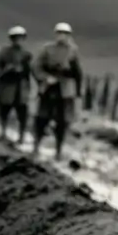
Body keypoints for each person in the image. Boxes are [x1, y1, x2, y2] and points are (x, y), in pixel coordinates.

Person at [32, 22, 84, 159]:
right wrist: (45, 78)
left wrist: (78, 92)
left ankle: (58, 150)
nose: (62, 36)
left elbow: (78, 73)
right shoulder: (47, 49)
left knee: (62, 122)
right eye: (60, 33)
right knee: (42, 118)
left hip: (65, 90)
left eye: (65, 34)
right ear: (55, 34)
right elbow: (36, 67)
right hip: (49, 88)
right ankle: (36, 146)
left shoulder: (73, 51)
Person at [0, 26, 33, 144]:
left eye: (20, 38)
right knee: (4, 110)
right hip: (7, 86)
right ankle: (3, 132)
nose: (18, 40)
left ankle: (21, 136)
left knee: (22, 113)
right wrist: (7, 70)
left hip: (21, 87)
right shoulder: (4, 52)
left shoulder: (26, 54)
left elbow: (30, 72)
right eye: (16, 38)